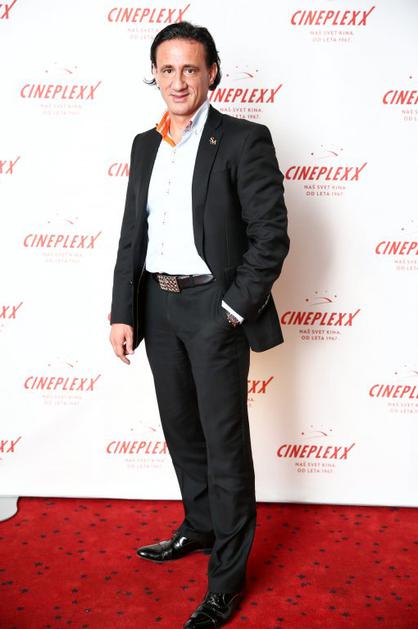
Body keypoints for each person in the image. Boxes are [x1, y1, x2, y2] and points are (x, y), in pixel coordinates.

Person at [109, 20, 290, 629]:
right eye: (167, 69)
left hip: (215, 307)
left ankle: (225, 581)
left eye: (191, 68)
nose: (179, 80)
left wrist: (232, 310)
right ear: (154, 75)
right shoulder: (145, 144)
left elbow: (271, 236)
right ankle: (201, 525)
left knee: (224, 444)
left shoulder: (243, 140)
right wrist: (123, 310)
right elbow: (133, 234)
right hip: (157, 306)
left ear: (212, 72)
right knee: (182, 431)